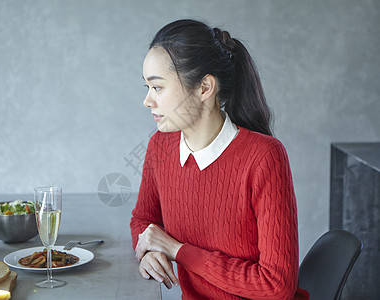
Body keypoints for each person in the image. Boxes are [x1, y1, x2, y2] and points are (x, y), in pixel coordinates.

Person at [130, 19, 309, 299]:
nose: (148, 101)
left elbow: (276, 286)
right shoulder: (160, 146)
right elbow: (143, 220)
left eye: (158, 88)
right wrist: (149, 250)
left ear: (204, 88)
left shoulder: (264, 156)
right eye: (147, 88)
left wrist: (178, 251)